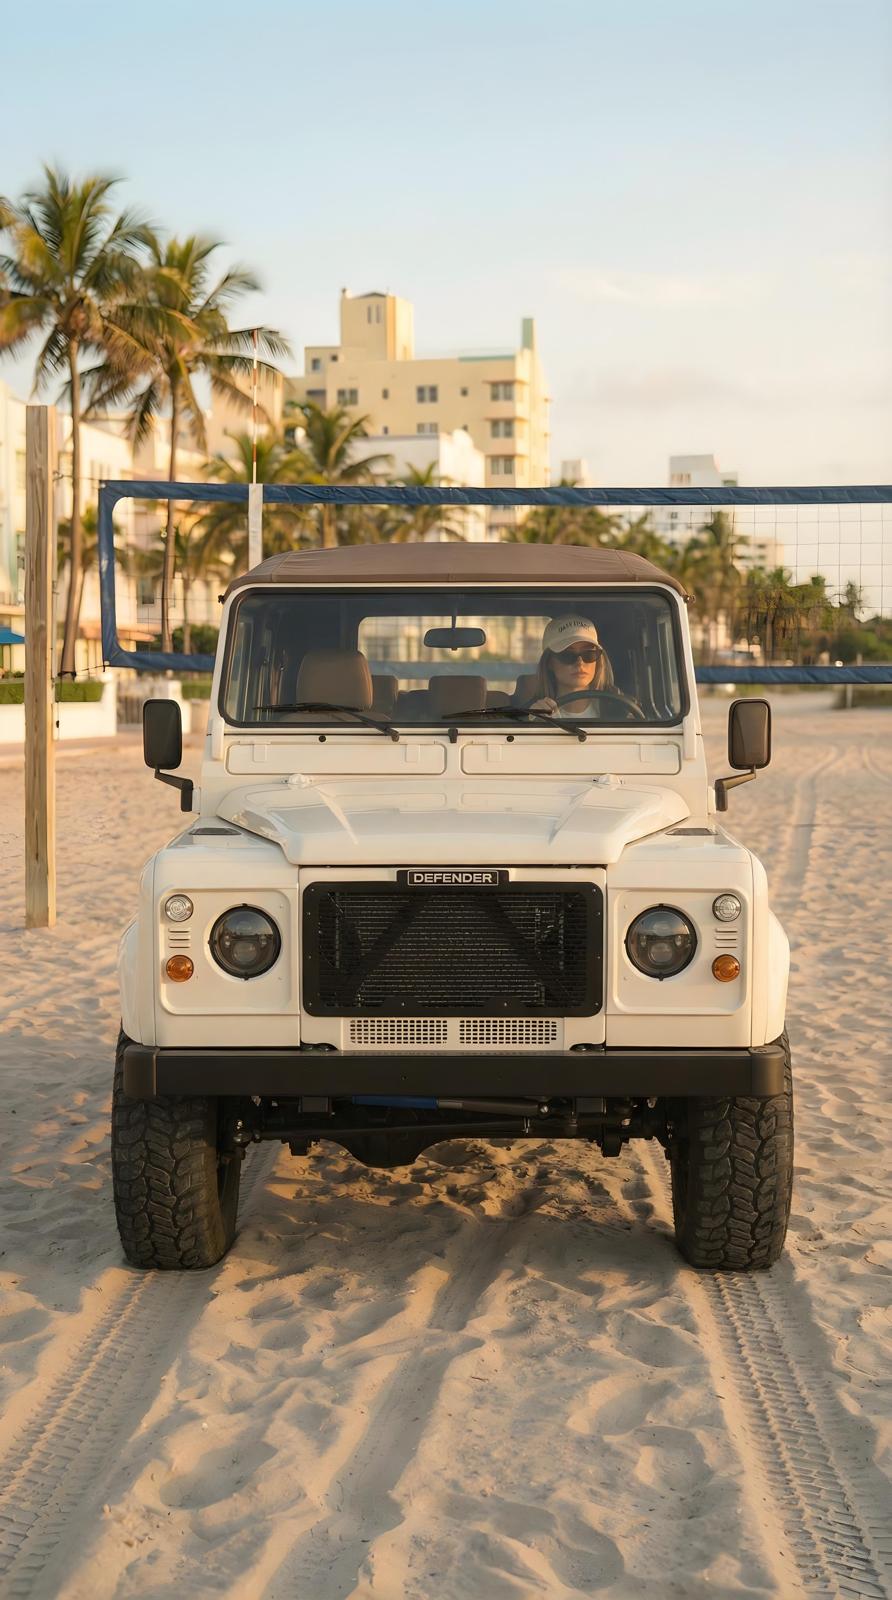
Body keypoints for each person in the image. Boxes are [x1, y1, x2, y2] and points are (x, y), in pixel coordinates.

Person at [528, 614, 614, 717]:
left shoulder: (618, 710)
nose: (580, 662)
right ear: (549, 662)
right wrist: (536, 725)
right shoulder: (537, 716)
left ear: (598, 660)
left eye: (589, 654)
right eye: (567, 655)